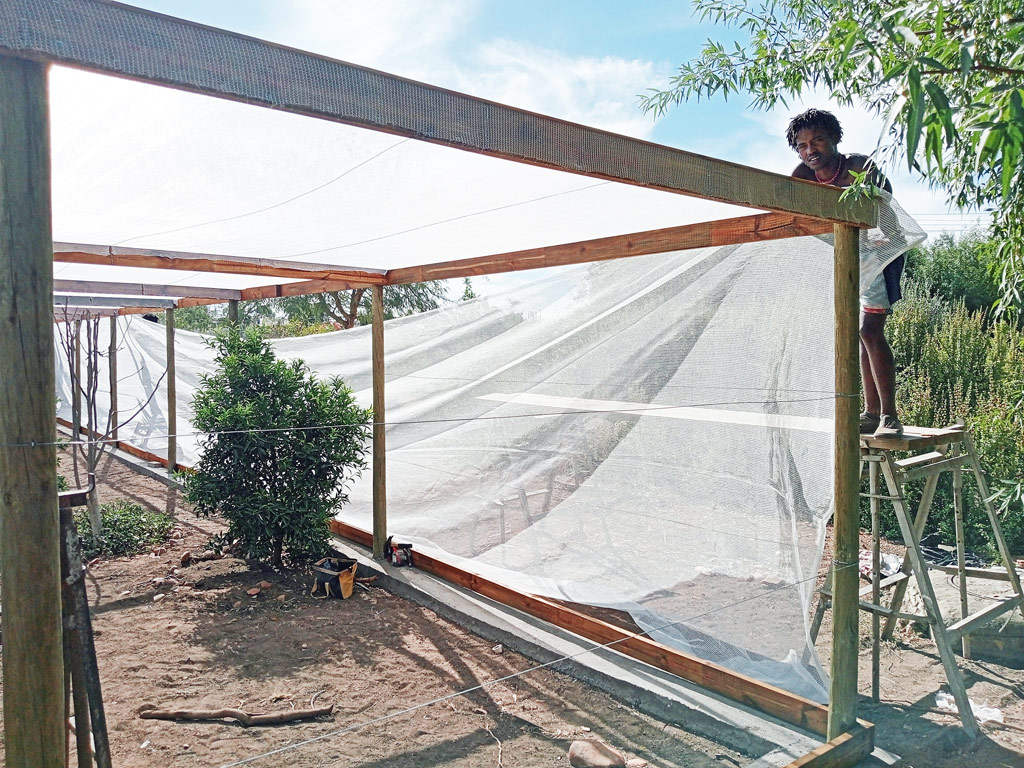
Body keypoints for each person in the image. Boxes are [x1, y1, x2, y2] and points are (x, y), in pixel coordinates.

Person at [786, 108, 903, 438]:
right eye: (803, 145)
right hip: (842, 253)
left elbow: (887, 208)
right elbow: (797, 219)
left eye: (818, 140)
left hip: (879, 251)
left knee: (870, 331)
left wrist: (879, 241)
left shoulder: (857, 167)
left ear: (835, 139)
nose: (811, 150)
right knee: (853, 332)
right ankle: (870, 412)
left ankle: (889, 417)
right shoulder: (801, 177)